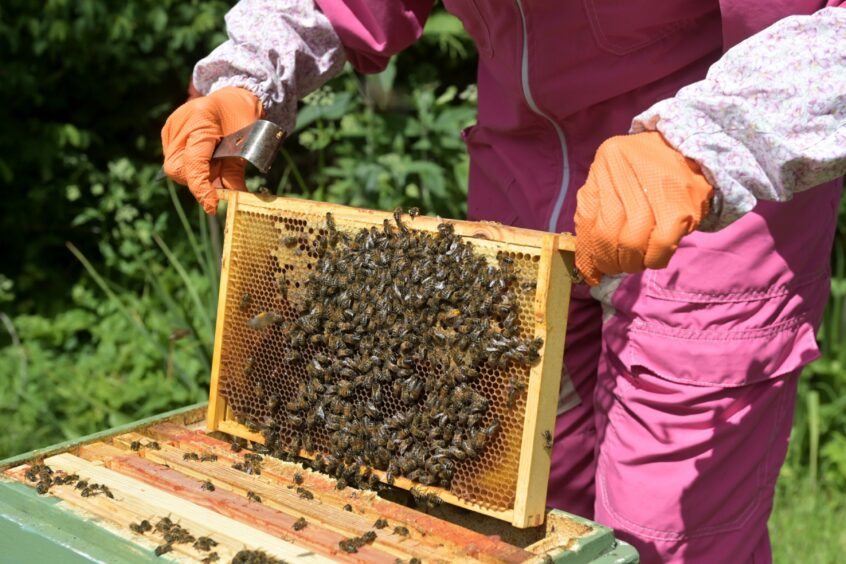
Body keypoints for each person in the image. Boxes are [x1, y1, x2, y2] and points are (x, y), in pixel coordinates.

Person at [161, 2, 846, 562]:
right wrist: (248, 75)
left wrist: (709, 139)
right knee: (530, 504)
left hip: (704, 192)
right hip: (521, 185)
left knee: (660, 535)